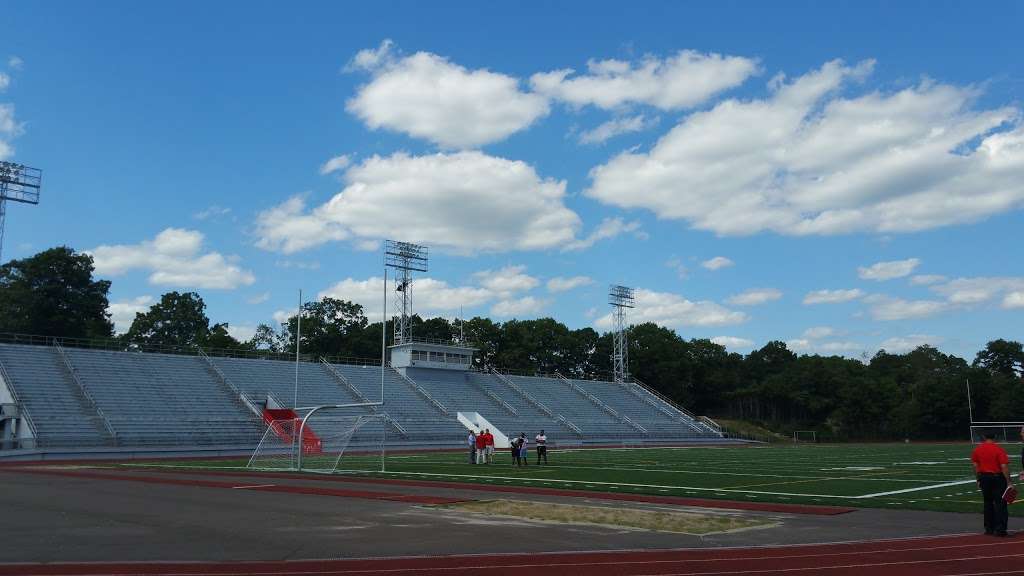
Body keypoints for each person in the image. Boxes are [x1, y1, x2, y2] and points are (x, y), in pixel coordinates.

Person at [971, 431, 1013, 537]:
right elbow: (1004, 466)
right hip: (997, 478)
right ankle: (1000, 529)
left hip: (984, 478)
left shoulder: (977, 449)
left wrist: (978, 479)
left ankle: (989, 528)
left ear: (984, 437)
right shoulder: (999, 449)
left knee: (987, 503)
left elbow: (975, 466)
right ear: (995, 437)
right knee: (1000, 504)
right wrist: (1009, 482)